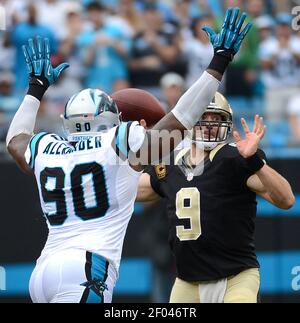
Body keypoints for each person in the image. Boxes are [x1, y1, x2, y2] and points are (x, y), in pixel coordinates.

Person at [6, 8, 252, 303]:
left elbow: (15, 141)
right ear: (110, 119)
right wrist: (219, 62)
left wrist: (35, 89)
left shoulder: (47, 146)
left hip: (43, 270)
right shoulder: (119, 140)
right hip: (87, 268)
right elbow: (179, 121)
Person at [137, 92, 295, 303]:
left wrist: (255, 162)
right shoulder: (170, 164)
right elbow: (130, 191)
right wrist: (130, 148)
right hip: (187, 281)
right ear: (189, 121)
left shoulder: (234, 158)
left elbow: (286, 199)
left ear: (226, 124)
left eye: (216, 119)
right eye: (203, 116)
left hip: (236, 277)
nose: (210, 124)